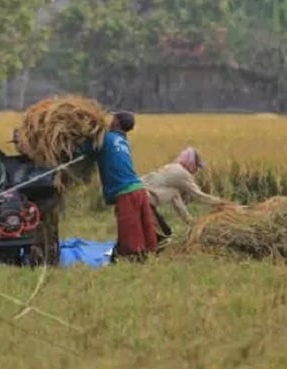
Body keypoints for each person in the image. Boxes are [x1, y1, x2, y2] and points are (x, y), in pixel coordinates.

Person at [81, 111, 158, 261]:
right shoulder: (124, 141)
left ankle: (133, 257)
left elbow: (86, 149)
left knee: (129, 228)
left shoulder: (105, 139)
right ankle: (147, 254)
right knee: (144, 226)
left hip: (126, 191)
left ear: (116, 122)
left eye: (113, 119)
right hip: (139, 188)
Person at [141, 146, 240, 227]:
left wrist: (191, 223)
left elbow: (176, 198)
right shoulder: (182, 174)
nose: (197, 170)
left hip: (140, 193)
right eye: (197, 166)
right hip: (145, 198)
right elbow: (199, 196)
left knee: (174, 196)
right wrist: (221, 202)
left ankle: (189, 223)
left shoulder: (173, 167)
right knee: (162, 233)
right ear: (191, 163)